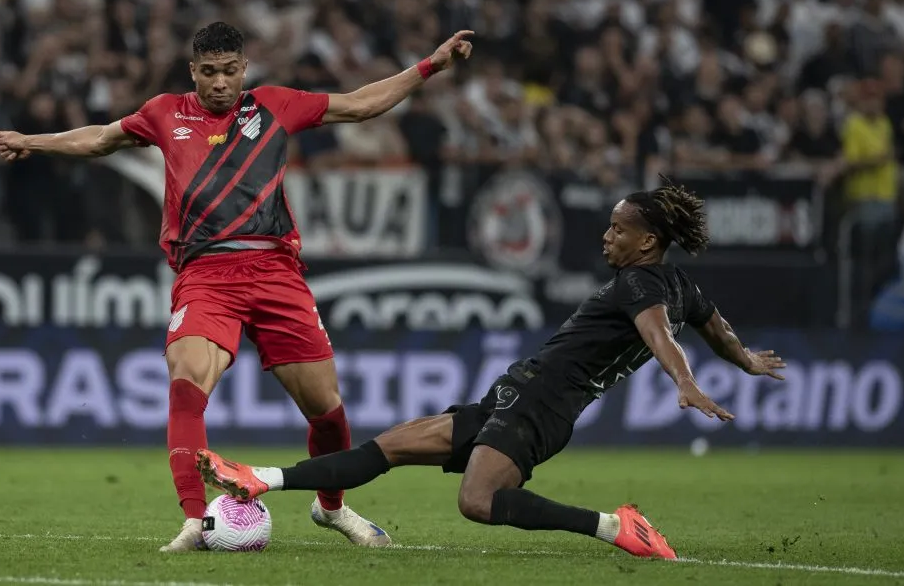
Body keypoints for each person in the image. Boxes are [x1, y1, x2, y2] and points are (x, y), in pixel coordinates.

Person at [0, 22, 475, 552]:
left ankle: (331, 508)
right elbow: (100, 137)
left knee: (327, 410)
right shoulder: (165, 113)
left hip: (275, 271)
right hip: (205, 273)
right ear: (193, 71)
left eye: (230, 71)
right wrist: (31, 141)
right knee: (186, 382)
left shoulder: (276, 106)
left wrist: (429, 66)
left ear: (245, 68)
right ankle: (194, 521)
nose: (220, 82)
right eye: (209, 72)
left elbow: (359, 104)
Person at [194, 178, 788, 559]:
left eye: (618, 228)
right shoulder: (680, 284)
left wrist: (685, 382)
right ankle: (260, 478)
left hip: (543, 406)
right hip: (519, 393)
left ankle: (613, 526)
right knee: (396, 443)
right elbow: (719, 331)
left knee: (477, 501)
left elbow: (661, 335)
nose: (607, 236)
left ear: (648, 240)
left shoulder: (641, 282)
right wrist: (747, 360)